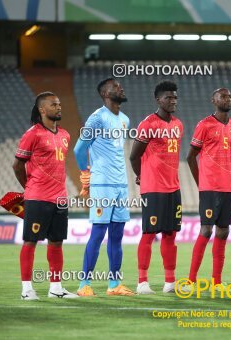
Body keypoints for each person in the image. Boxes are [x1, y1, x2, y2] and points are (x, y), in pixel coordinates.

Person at [13, 92, 77, 299]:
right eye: (53, 104)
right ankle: (26, 289)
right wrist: (29, 187)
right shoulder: (33, 134)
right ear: (42, 109)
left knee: (56, 242)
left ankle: (56, 288)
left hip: (60, 198)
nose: (59, 107)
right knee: (31, 241)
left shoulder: (65, 135)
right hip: (38, 197)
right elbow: (17, 165)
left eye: (59, 104)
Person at [74, 78, 133, 296]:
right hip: (102, 184)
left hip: (120, 184)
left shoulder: (125, 119)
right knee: (98, 233)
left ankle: (114, 285)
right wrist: (85, 175)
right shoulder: (97, 118)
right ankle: (83, 285)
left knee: (117, 234)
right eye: (116, 86)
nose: (121, 88)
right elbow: (79, 149)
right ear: (105, 94)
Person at [129, 81, 183, 294]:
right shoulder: (148, 124)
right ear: (158, 100)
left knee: (170, 234)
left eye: (175, 97)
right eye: (168, 97)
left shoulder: (178, 124)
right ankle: (142, 282)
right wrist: (142, 176)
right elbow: (134, 156)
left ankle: (170, 282)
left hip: (174, 188)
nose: (173, 101)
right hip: (153, 189)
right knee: (149, 233)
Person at [186, 88, 231, 288]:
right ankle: (191, 280)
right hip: (209, 187)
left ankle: (216, 281)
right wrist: (201, 184)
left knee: (223, 231)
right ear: (213, 100)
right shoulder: (204, 125)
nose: (228, 99)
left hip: (227, 188)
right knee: (206, 230)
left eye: (230, 95)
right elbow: (190, 156)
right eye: (223, 96)